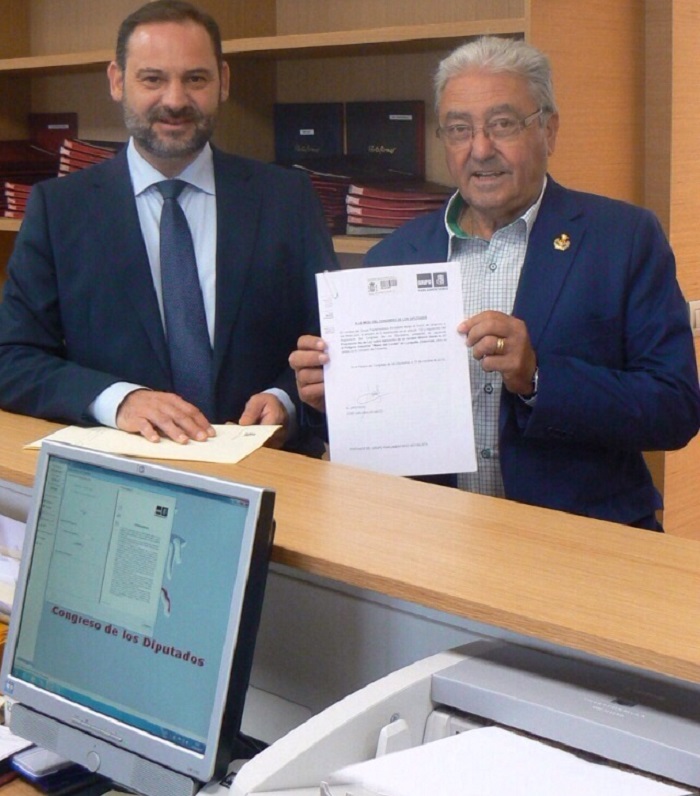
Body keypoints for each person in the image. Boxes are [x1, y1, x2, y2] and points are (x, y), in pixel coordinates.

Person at [290, 35, 700, 530]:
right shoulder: (393, 256)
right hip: (433, 538)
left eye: (503, 124)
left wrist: (539, 378)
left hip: (577, 541)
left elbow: (675, 408)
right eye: (459, 129)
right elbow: (380, 434)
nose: (480, 149)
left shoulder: (624, 238)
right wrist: (331, 401)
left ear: (548, 130)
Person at [0, 0, 337, 449]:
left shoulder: (287, 198)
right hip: (124, 474)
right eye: (152, 79)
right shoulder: (59, 209)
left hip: (267, 467)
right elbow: (12, 358)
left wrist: (286, 399)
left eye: (195, 79)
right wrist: (118, 400)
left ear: (223, 81)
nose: (175, 101)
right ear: (117, 81)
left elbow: (331, 340)